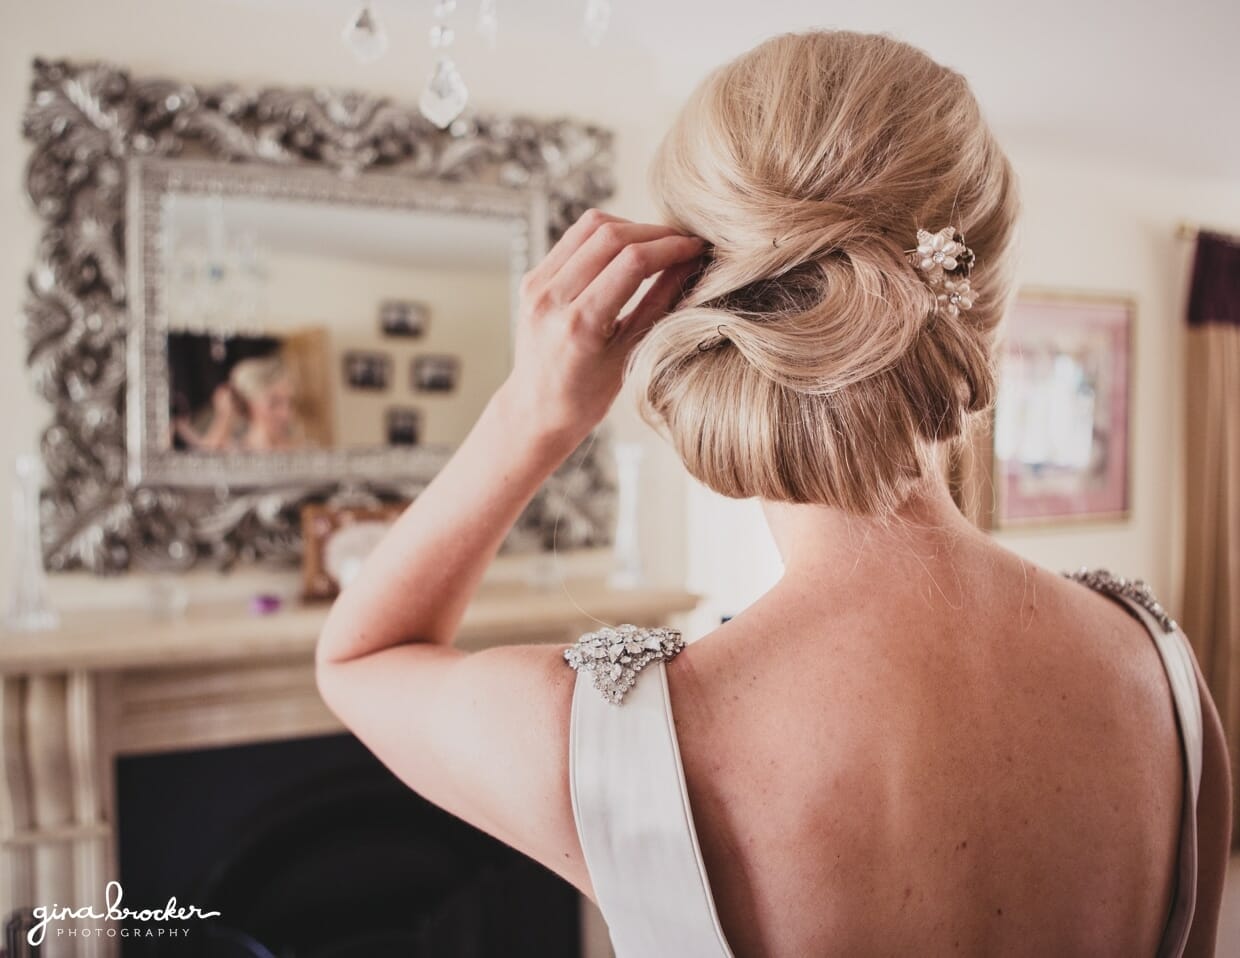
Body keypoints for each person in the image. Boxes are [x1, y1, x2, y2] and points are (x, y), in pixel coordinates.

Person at [314, 29, 1231, 957]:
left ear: (689, 304)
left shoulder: (623, 743)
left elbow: (358, 658)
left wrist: (532, 412)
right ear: (981, 310)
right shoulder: (1162, 675)